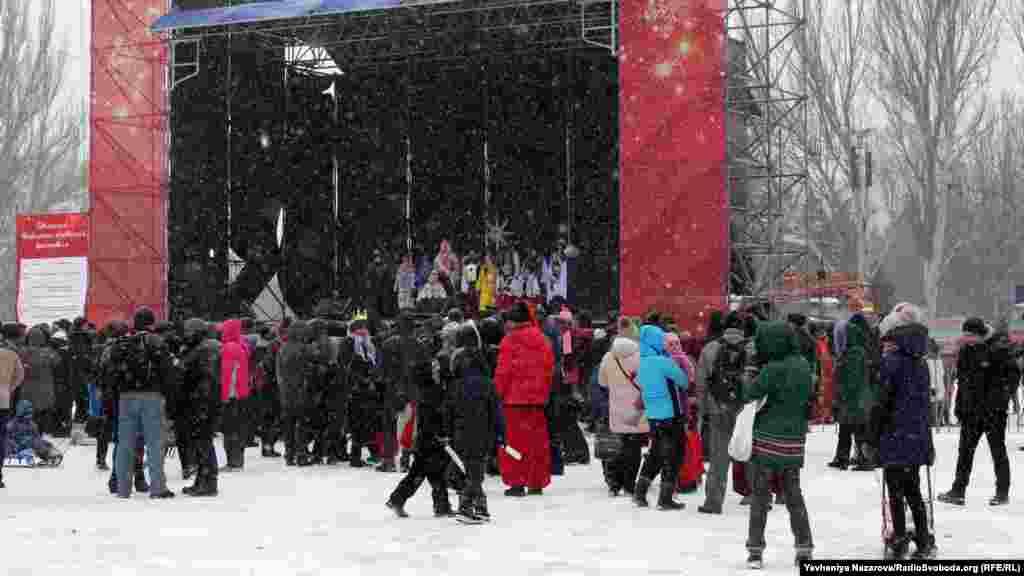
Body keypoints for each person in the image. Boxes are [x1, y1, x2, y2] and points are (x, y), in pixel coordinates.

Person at [742, 321, 814, 569]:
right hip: (794, 440)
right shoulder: (804, 366)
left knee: (760, 497)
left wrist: (751, 368)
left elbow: (749, 393)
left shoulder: (772, 368)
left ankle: (755, 550)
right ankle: (804, 547)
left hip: (768, 440)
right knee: (794, 495)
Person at [869, 303, 936, 559]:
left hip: (894, 434)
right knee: (914, 491)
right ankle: (923, 540)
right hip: (916, 435)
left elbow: (881, 404)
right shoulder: (920, 363)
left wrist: (871, 436)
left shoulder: (891, 363)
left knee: (896, 492)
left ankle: (899, 538)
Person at [938, 317, 1018, 506]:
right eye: (965, 335)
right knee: (964, 452)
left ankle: (1002, 492)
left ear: (980, 334)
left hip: (993, 412)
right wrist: (958, 407)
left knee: (998, 452)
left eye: (971, 335)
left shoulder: (998, 350)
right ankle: (958, 490)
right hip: (970, 411)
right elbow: (963, 383)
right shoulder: (966, 352)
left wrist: (1002, 397)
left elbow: (1013, 375)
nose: (967, 339)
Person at [111, 307, 174, 499]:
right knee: (154, 443)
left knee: (125, 444)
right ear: (151, 323)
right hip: (151, 396)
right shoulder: (156, 342)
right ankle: (158, 487)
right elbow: (167, 371)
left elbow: (112, 372)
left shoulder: (121, 343)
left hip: (125, 397)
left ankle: (123, 488)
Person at [385, 346, 453, 519]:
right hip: (431, 440)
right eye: (435, 370)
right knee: (433, 474)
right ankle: (440, 506)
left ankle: (398, 499)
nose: (438, 372)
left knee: (421, 473)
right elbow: (433, 418)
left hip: (425, 440)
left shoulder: (425, 391)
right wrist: (441, 434)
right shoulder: (434, 393)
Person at [495, 302, 554, 497]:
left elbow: (504, 372)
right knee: (537, 443)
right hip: (537, 400)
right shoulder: (542, 339)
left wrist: (498, 393)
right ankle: (536, 481)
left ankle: (516, 481)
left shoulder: (509, 341)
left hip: (513, 400)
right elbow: (548, 370)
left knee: (513, 444)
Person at [450, 321, 504, 523]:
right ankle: (468, 507)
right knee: (476, 472)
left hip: (461, 432)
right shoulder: (488, 385)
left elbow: (449, 411)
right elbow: (496, 412)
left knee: (470, 471)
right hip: (483, 432)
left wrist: (447, 432)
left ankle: (480, 506)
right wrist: (501, 433)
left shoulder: (456, 385)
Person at [632, 323, 687, 510]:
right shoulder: (664, 362)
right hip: (671, 415)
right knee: (674, 455)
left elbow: (641, 384)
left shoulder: (642, 363)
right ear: (656, 341)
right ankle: (665, 498)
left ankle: (640, 492)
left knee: (655, 454)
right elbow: (684, 381)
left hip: (653, 415)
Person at [697, 312, 748, 514]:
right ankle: (758, 495)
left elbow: (701, 383)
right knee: (750, 454)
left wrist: (704, 410)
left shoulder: (710, 349)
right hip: (744, 412)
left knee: (719, 458)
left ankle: (713, 501)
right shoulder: (752, 349)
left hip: (718, 409)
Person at [179, 319, 221, 497]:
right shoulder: (204, 348)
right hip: (203, 400)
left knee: (203, 441)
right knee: (200, 441)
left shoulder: (204, 350)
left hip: (202, 401)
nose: (186, 335)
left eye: (188, 332)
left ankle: (208, 481)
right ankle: (203, 480)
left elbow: (197, 374)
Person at [830, 316, 874, 471]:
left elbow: (852, 379)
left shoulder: (854, 353)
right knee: (846, 429)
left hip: (854, 399)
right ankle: (843, 457)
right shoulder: (853, 352)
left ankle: (863, 459)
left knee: (857, 430)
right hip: (854, 398)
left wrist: (843, 394)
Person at [220, 319, 251, 472]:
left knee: (230, 429)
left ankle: (233, 462)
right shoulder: (242, 345)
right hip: (242, 393)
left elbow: (228, 374)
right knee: (239, 428)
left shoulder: (229, 347)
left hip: (232, 394)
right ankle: (238, 460)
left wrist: (224, 395)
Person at [0, 332, 24, 487]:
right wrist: (8, 389)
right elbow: (20, 375)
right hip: (3, 400)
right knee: (1, 437)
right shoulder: (10, 354)